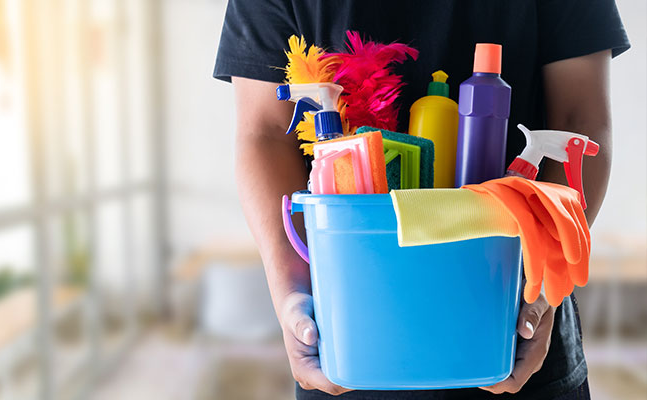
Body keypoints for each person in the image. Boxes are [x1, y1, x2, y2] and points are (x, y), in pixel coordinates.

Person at [213, 1, 630, 399]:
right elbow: (266, 134)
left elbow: (580, 122)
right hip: (351, 336)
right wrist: (292, 294)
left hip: (515, 333)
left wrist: (544, 291)